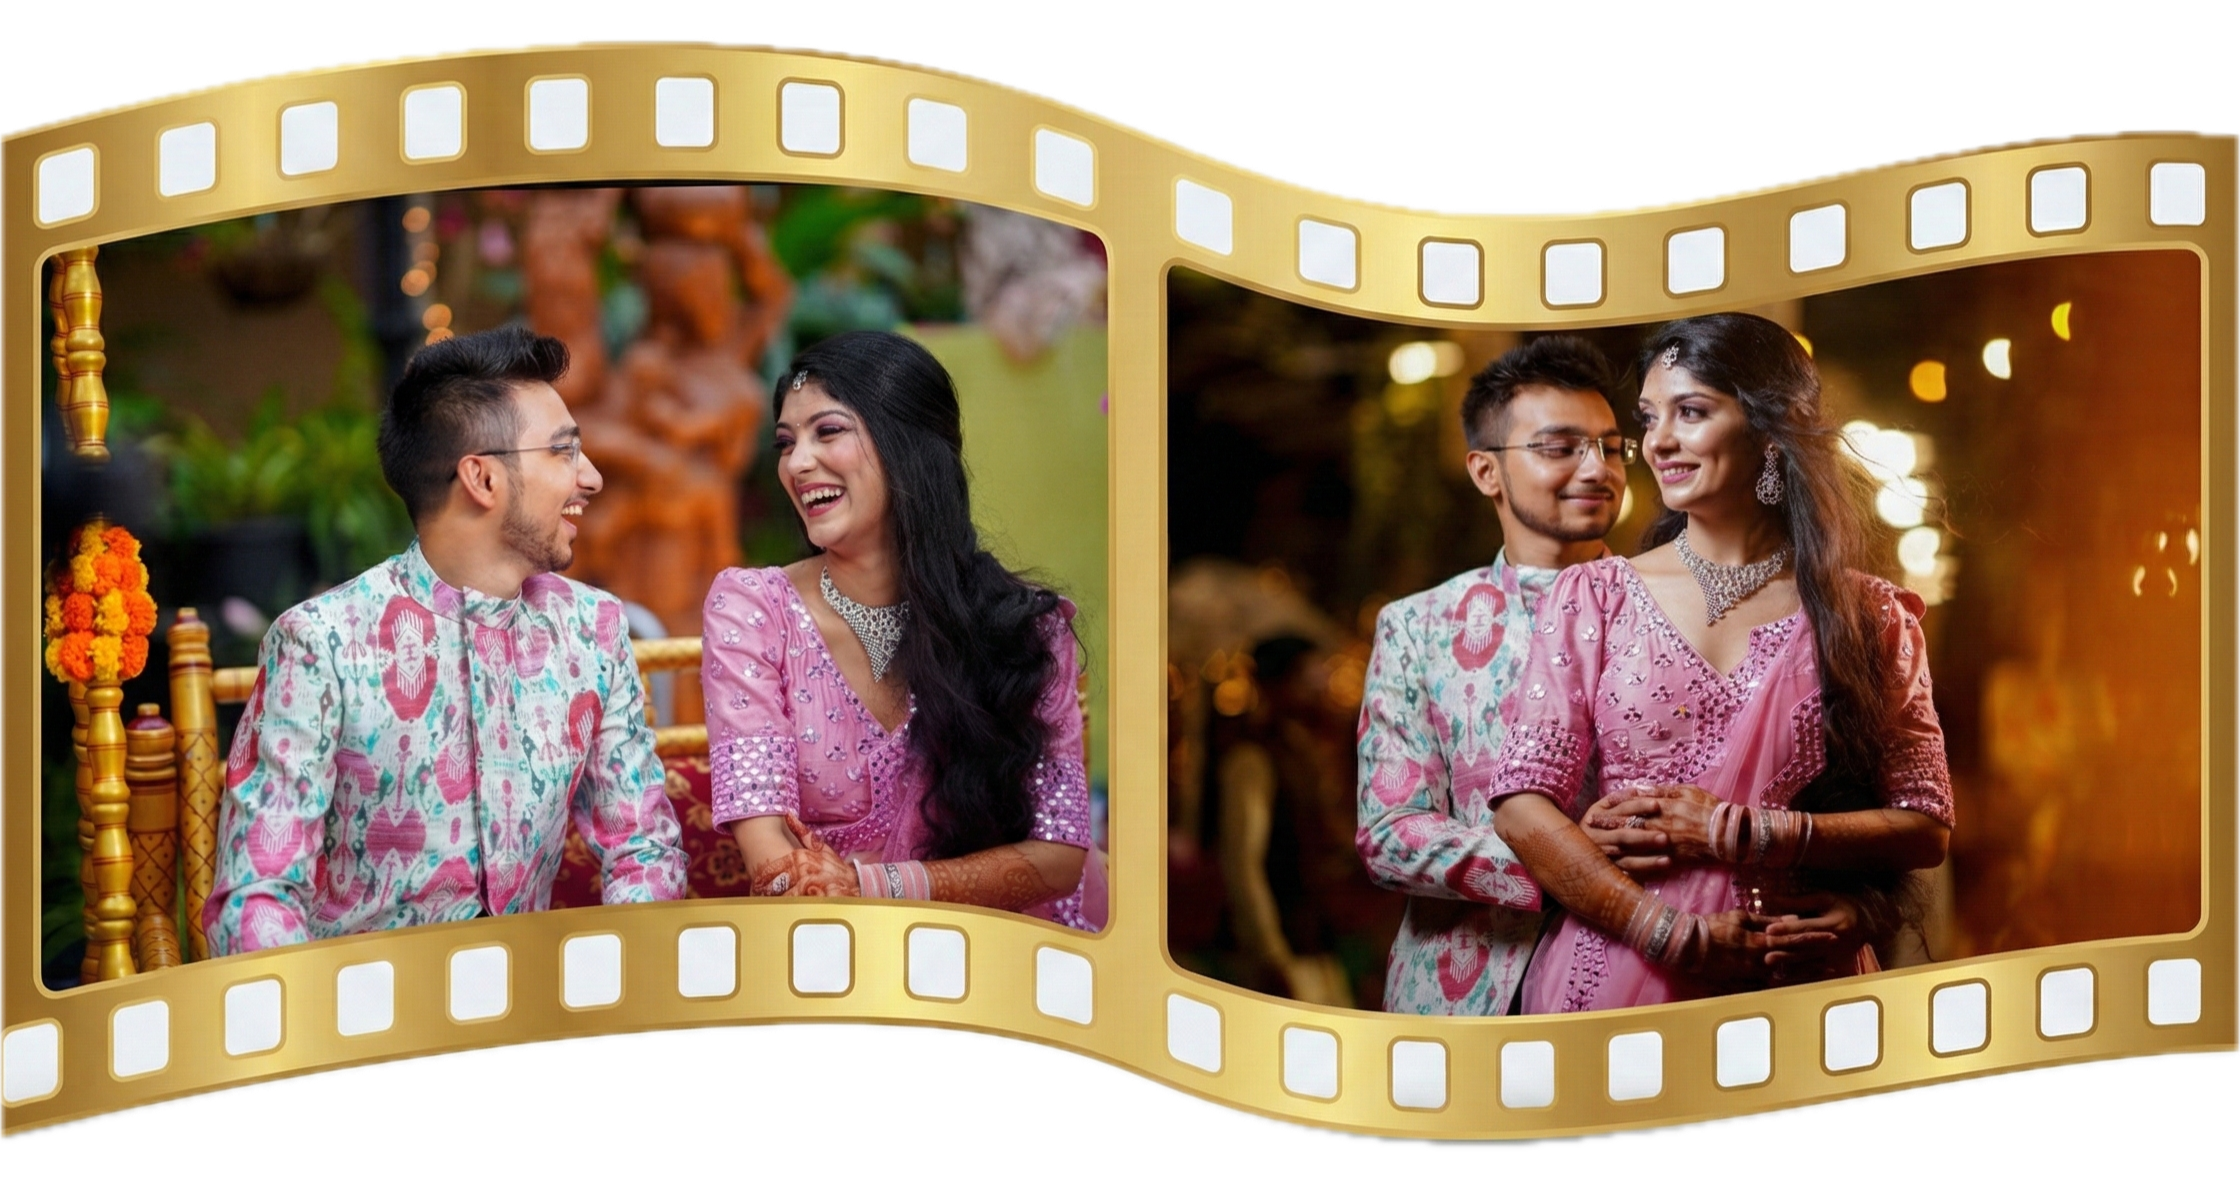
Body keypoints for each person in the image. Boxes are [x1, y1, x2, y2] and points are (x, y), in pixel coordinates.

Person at [1480, 312, 1954, 1013]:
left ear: (1769, 430)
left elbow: (1924, 823)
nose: (1659, 440)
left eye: (1692, 411)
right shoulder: (1596, 597)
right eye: (1650, 416)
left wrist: (1750, 832)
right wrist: (1672, 932)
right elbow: (1521, 806)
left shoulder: (1869, 618)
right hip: (1617, 976)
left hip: (1795, 978)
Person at [204, 328, 689, 956]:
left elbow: (643, 850)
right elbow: (257, 900)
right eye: (563, 453)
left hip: (535, 1027)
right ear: (482, 478)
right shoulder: (322, 645)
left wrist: (614, 998)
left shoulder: (590, 630)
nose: (590, 478)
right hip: (369, 1031)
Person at [699, 330, 1103, 930]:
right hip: (830, 947)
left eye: (827, 431)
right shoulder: (754, 611)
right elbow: (769, 846)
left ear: (908, 444)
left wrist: (872, 885)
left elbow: (1060, 856)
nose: (798, 462)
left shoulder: (1023, 629)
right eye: (786, 442)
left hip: (1018, 952)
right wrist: (828, 903)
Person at [1356, 335, 1628, 1014]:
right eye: (1560, 447)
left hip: (1637, 983)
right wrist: (1567, 863)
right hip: (1464, 998)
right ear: (1486, 471)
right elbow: (1390, 832)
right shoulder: (1418, 626)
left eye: (1612, 447)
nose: (1598, 469)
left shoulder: (1677, 611)